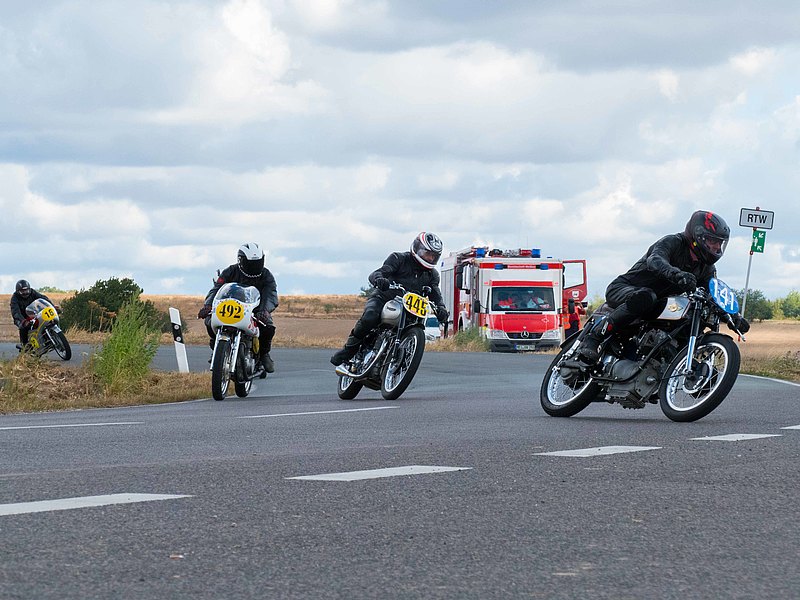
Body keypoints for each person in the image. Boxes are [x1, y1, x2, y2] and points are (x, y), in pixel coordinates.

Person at [572, 210, 750, 365]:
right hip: (625, 289)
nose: (717, 247)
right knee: (646, 297)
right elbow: (655, 260)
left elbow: (713, 295)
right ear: (698, 236)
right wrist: (677, 274)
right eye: (712, 241)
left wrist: (734, 317)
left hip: (658, 305)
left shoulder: (706, 269)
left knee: (691, 314)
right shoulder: (673, 242)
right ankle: (594, 338)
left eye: (720, 243)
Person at [330, 232, 449, 366]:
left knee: (414, 324)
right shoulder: (398, 258)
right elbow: (379, 272)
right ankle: (348, 351)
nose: (430, 258)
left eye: (433, 256)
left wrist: (441, 308)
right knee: (370, 316)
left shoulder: (432, 275)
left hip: (409, 309)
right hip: (384, 298)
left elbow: (435, 293)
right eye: (427, 253)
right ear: (417, 248)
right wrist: (379, 279)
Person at [198, 243, 278, 376]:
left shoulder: (266, 275)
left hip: (256, 309)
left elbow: (271, 294)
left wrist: (265, 310)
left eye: (257, 262)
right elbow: (216, 288)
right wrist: (208, 305)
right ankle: (217, 348)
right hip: (231, 307)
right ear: (240, 260)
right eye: (250, 263)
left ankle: (263, 354)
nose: (254, 266)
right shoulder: (230, 271)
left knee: (268, 327)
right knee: (209, 320)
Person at [10, 280, 54, 349]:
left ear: (29, 289)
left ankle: (48, 338)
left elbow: (43, 298)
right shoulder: (14, 298)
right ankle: (24, 344)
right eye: (22, 291)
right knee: (23, 326)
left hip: (33, 314)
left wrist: (52, 306)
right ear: (18, 291)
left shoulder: (33, 292)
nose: (25, 293)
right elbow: (15, 312)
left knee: (45, 321)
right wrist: (23, 321)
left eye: (26, 290)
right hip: (21, 317)